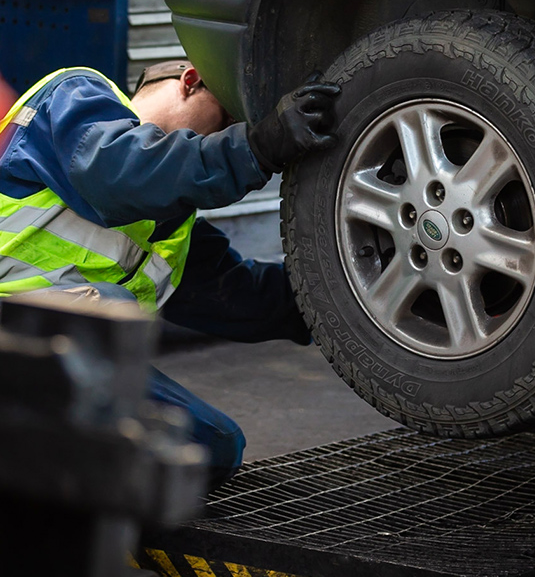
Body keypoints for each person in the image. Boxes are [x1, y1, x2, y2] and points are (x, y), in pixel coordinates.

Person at [0, 61, 340, 487]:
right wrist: (255, 148)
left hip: (56, 370)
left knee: (211, 448)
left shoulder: (170, 232)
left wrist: (353, 296)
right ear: (192, 79)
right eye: (228, 121)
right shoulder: (76, 97)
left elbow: (247, 299)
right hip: (15, 340)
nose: (224, 137)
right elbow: (120, 176)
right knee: (107, 317)